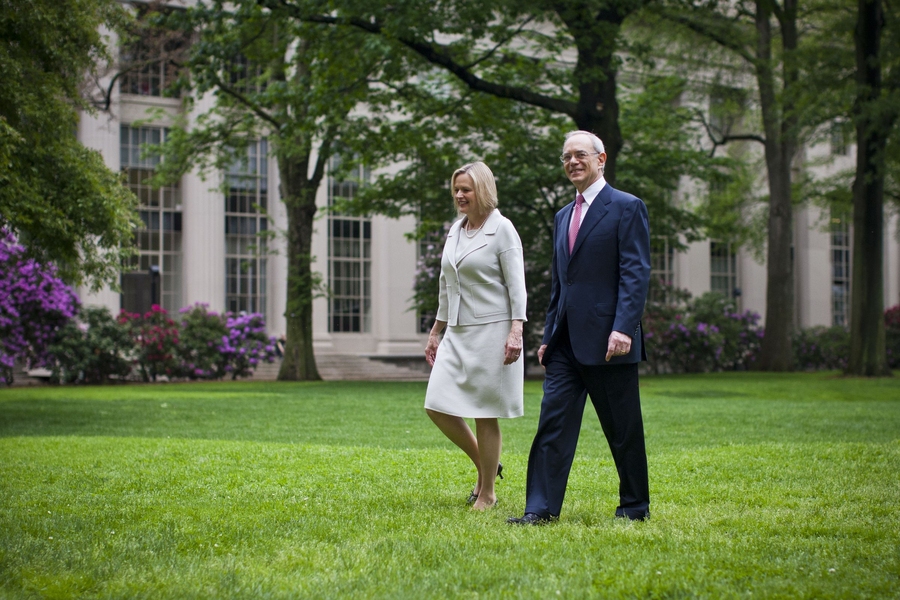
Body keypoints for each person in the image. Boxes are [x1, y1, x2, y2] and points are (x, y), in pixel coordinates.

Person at [508, 131, 651, 525]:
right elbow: (561, 282)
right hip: (565, 345)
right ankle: (539, 509)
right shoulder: (562, 216)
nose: (572, 161)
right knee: (551, 426)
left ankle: (634, 507)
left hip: (610, 342)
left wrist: (624, 327)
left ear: (601, 159)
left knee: (622, 430)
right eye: (566, 156)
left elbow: (635, 274)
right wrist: (548, 334)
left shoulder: (626, 207)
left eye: (580, 155)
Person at [424, 161, 527, 511]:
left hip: (492, 331)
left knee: (485, 412)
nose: (459, 195)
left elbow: (517, 284)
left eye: (466, 189)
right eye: (456, 189)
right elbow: (445, 285)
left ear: (482, 190)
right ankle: (488, 464)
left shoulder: (503, 229)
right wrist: (436, 331)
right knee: (436, 404)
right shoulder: (456, 229)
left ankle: (487, 493)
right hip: (457, 330)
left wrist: (517, 329)